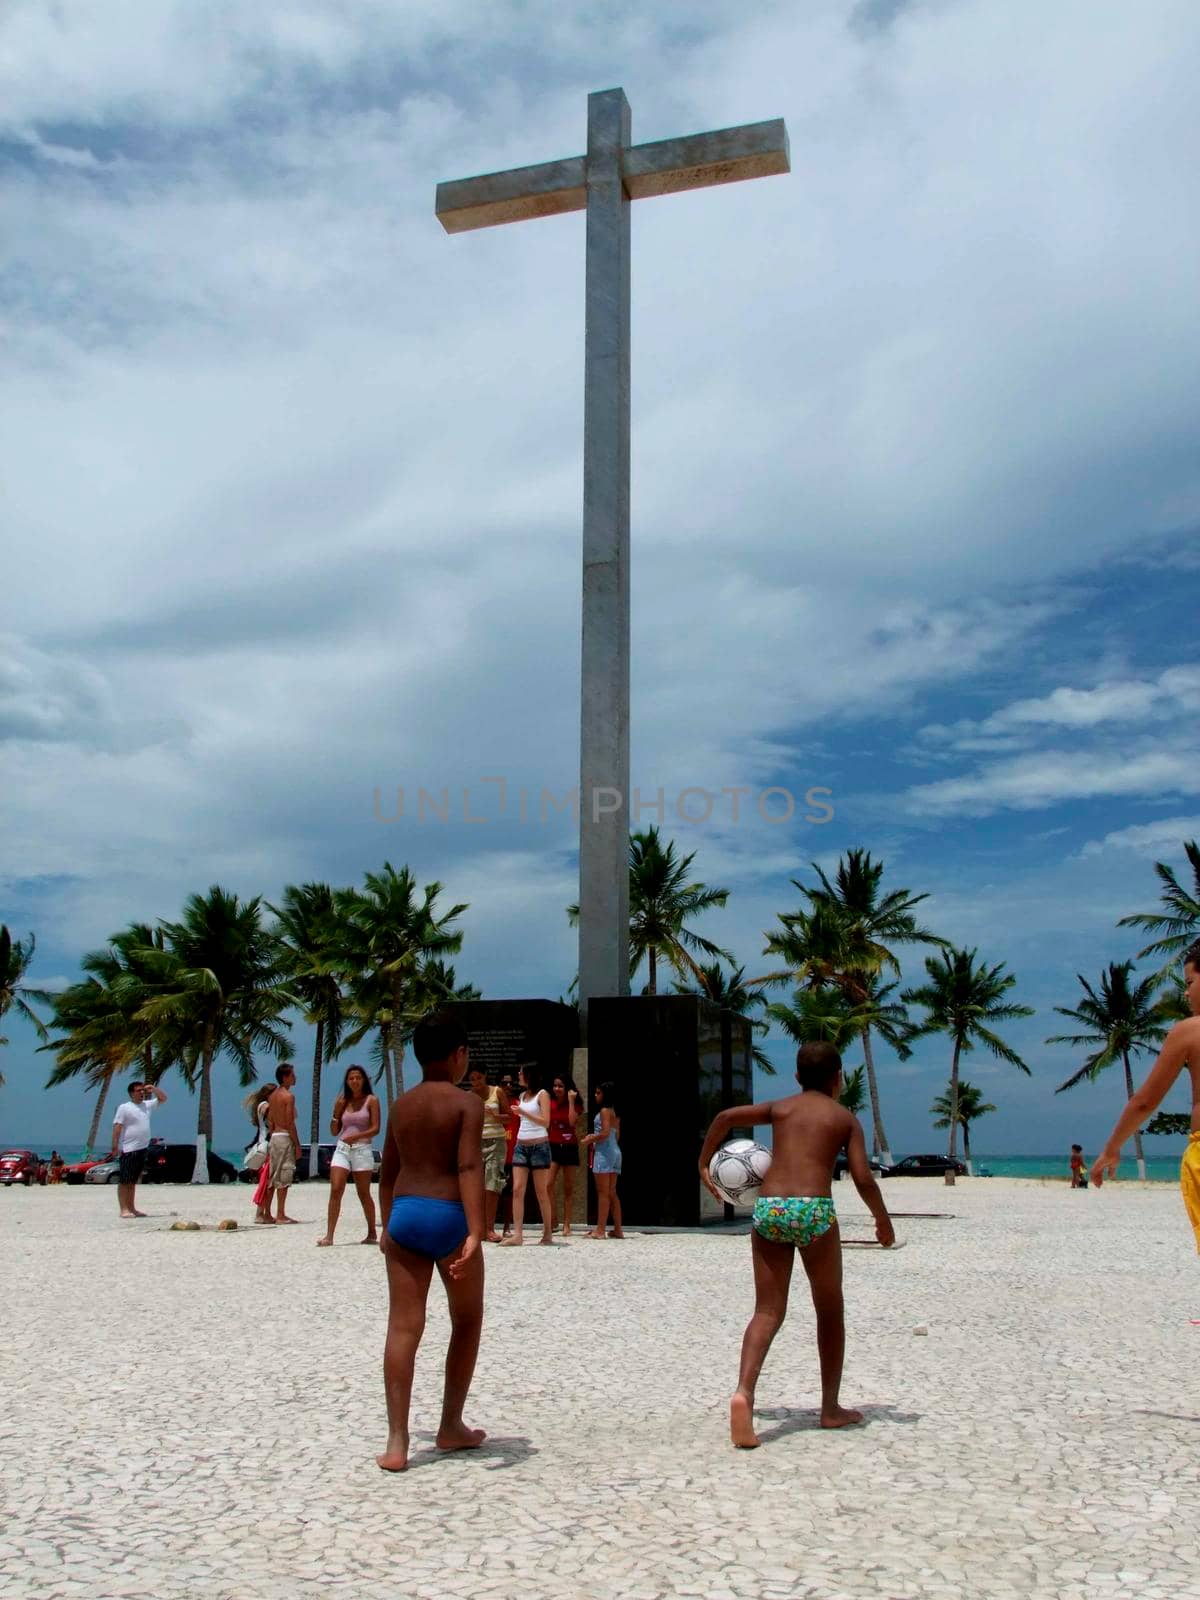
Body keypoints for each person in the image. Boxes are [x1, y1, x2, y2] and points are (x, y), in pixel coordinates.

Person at [697, 1041, 894, 1448]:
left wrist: (704, 1162)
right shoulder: (845, 1119)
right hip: (814, 1210)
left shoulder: (780, 1109)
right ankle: (830, 1408)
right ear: (839, 1078)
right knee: (829, 1308)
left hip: (770, 1208)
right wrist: (881, 1218)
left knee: (767, 1310)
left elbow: (724, 1117)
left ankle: (744, 1394)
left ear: (797, 1077)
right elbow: (861, 1177)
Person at [377, 1012, 486, 1472]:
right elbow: (467, 1168)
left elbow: (388, 1171)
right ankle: (450, 1425)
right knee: (465, 1320)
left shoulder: (402, 1104)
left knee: (404, 1327)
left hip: (405, 1214)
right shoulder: (467, 1104)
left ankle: (397, 1442)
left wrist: (386, 1225)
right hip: (451, 1216)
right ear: (459, 1055)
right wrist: (476, 1232)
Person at [1091, 939, 1200, 1253]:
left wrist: (1112, 1147)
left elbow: (1145, 1101)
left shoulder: (1189, 1031)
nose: (1186, 992)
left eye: (1190, 982)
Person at [318, 1065, 380, 1247]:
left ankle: (371, 1231)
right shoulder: (343, 1101)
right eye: (351, 1078)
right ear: (347, 1081)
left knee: (363, 1193)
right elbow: (334, 1130)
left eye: (358, 1078)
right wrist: (336, 1113)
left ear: (364, 1080)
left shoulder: (371, 1100)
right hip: (343, 1148)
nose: (355, 1081)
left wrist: (356, 1136)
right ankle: (329, 1235)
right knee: (336, 1189)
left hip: (362, 1149)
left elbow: (375, 1128)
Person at [500, 1062, 555, 1246]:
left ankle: (547, 1233)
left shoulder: (542, 1094)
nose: (519, 1075)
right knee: (517, 1190)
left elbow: (545, 1121)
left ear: (529, 1075)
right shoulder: (522, 1096)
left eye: (521, 1072)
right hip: (521, 1145)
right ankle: (518, 1235)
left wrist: (523, 1111)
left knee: (541, 1191)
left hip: (539, 1145)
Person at [109, 1080, 167, 1219]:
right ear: (131, 1093)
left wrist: (153, 1089)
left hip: (142, 1149)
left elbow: (163, 1098)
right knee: (125, 1180)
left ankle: (132, 1208)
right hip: (129, 1149)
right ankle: (123, 1209)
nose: (141, 1093)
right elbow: (117, 1127)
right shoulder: (125, 1107)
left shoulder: (147, 1105)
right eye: (138, 1091)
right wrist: (114, 1146)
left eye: (142, 1090)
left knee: (133, 1181)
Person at [467, 1067, 509, 1242]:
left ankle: (489, 1228)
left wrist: (494, 1115)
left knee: (492, 1186)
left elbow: (509, 1117)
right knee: (475, 1187)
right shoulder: (469, 1096)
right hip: (476, 1142)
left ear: (485, 1076)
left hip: (496, 1141)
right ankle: (476, 1228)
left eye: (479, 1077)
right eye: (473, 1079)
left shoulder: (497, 1092)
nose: (476, 1082)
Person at [580, 1081, 623, 1240]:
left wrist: (590, 1139)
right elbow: (616, 1135)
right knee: (612, 1193)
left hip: (604, 1153)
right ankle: (618, 1229)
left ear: (605, 1094)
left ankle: (600, 1230)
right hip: (615, 1152)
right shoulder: (614, 1112)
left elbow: (604, 1133)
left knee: (603, 1193)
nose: (595, 1095)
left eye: (598, 1093)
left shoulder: (604, 1110)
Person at [548, 1073, 584, 1235]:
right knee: (547, 1184)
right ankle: (553, 1218)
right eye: (555, 1086)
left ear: (567, 1087)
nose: (557, 1089)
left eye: (560, 1086)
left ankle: (567, 1224)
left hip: (569, 1147)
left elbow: (571, 1122)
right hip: (553, 1145)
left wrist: (570, 1101)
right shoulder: (550, 1103)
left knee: (568, 1188)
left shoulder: (576, 1104)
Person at [265, 1063, 301, 1224]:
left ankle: (267, 1213)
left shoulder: (272, 1096)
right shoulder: (288, 1097)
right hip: (285, 1137)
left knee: (272, 1176)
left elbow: (271, 1121)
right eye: (292, 1075)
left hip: (274, 1137)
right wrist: (297, 1144)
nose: (295, 1078)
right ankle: (280, 1213)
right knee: (284, 1175)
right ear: (285, 1077)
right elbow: (289, 1123)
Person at [499, 1074, 520, 1237]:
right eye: (504, 1083)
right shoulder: (493, 1105)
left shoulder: (517, 1105)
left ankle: (507, 1226)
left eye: (510, 1083)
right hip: (494, 1155)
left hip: (512, 1157)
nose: (508, 1086)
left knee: (509, 1193)